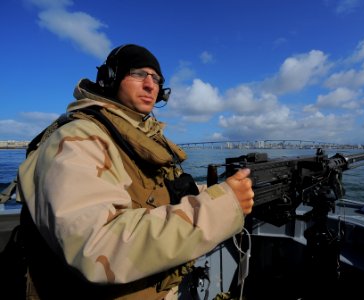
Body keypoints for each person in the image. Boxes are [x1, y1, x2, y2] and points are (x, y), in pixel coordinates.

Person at [15, 44, 254, 299]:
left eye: (157, 79)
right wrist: (222, 207)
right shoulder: (78, 139)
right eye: (139, 73)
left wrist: (221, 192)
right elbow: (97, 248)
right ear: (110, 79)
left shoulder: (139, 137)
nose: (151, 85)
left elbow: (157, 195)